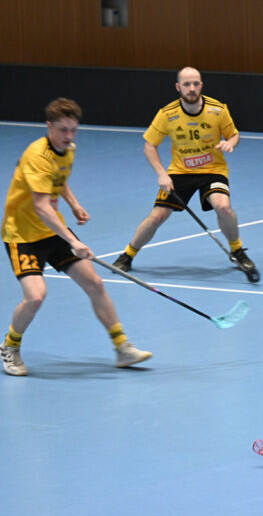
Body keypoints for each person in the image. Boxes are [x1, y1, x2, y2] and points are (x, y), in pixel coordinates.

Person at [1, 98, 152, 377]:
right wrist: (73, 240)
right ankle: (10, 346)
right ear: (49, 126)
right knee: (35, 297)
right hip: (22, 236)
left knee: (95, 283)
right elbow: (41, 206)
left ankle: (122, 347)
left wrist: (73, 203)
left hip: (51, 230)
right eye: (63, 130)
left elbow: (58, 180)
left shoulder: (67, 149)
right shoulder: (37, 156)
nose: (69, 136)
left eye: (73, 130)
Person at [112, 67, 258, 281]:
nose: (192, 88)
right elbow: (149, 145)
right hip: (179, 172)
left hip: (213, 170)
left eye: (196, 83)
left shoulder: (218, 109)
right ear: (178, 87)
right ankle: (128, 255)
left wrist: (230, 143)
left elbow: (234, 135)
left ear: (201, 85)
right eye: (187, 84)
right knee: (157, 216)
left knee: (223, 207)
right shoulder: (167, 114)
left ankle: (237, 251)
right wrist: (162, 174)